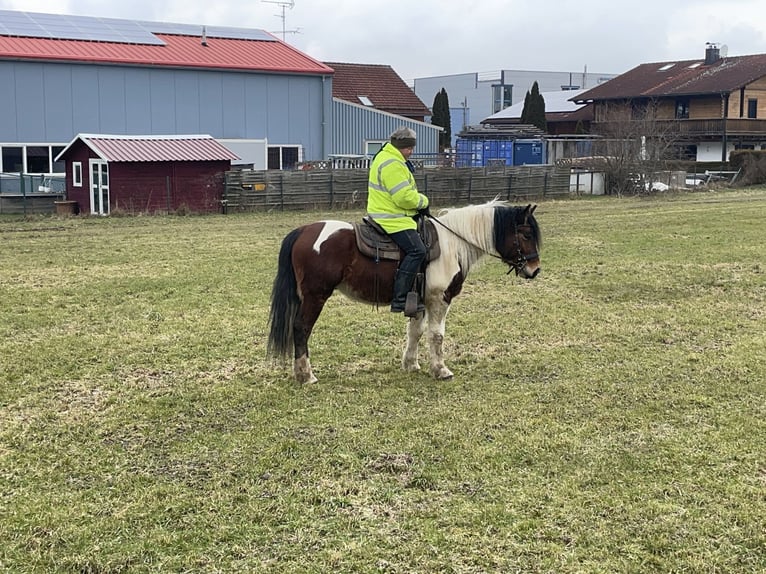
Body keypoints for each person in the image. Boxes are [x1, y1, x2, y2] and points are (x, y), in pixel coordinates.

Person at [367, 126, 431, 315]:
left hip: (386, 212)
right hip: (392, 218)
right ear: (399, 146)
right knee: (417, 250)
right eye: (408, 148)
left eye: (412, 148)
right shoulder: (392, 164)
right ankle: (400, 299)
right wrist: (423, 201)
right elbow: (403, 197)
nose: (411, 152)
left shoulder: (386, 156)